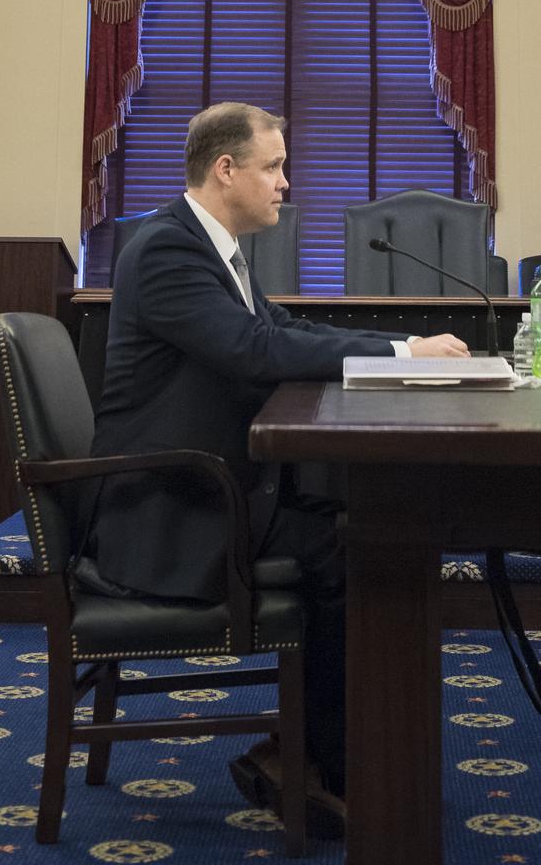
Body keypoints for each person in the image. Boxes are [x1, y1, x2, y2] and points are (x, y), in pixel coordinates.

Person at [88, 101, 469, 837]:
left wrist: (401, 348)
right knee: (349, 548)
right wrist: (402, 354)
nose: (285, 183)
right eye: (274, 167)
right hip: (168, 509)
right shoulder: (166, 250)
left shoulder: (212, 247)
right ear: (226, 169)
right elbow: (254, 352)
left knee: (349, 527)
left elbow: (283, 328)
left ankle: (304, 754)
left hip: (212, 487)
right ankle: (327, 766)